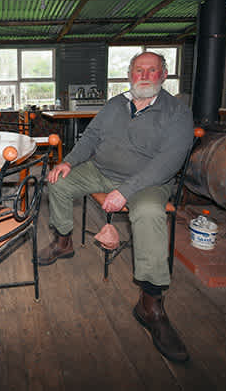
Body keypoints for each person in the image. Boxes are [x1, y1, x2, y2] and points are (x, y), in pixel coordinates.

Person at [37, 52, 194, 363]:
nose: (145, 76)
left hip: (148, 182)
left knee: (149, 214)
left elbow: (168, 163)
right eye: (139, 70)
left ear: (164, 75)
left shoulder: (177, 113)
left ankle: (150, 305)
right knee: (57, 182)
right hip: (101, 171)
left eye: (152, 70)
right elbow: (91, 137)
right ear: (130, 75)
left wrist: (125, 191)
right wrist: (68, 162)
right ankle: (64, 241)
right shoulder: (115, 104)